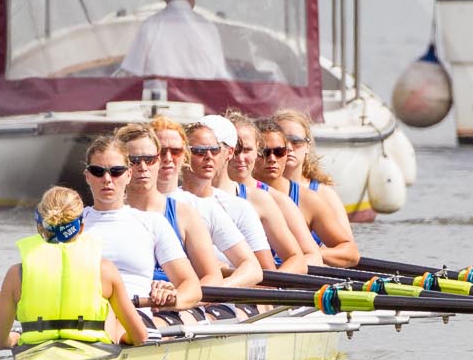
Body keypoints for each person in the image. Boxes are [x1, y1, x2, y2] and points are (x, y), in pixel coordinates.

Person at [0, 187, 150, 351]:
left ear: (39, 227)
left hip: (35, 355)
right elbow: (140, 336)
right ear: (81, 227)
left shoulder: (16, 274)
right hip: (93, 355)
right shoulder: (105, 270)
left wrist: (15, 337)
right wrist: (122, 339)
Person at [129, 119, 264, 288]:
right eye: (160, 152)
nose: (168, 158)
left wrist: (212, 291)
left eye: (176, 151)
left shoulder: (202, 208)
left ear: (185, 155)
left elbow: (252, 267)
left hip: (192, 304)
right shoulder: (118, 210)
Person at [77, 134, 202, 309]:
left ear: (128, 175)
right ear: (87, 176)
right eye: (98, 171)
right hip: (83, 318)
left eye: (116, 171)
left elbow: (192, 287)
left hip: (139, 318)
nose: (107, 179)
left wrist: (171, 297)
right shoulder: (71, 223)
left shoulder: (153, 223)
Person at [183, 114, 303, 274]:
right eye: (198, 150)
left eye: (214, 149)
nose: (208, 156)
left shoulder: (256, 201)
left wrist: (228, 274)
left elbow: (294, 260)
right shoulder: (172, 200)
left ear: (228, 151)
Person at [257, 112, 359, 268]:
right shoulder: (242, 192)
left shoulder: (317, 196)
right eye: (266, 150)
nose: (289, 148)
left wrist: (307, 255)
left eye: (295, 142)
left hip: (301, 277)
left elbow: (350, 253)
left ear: (307, 146)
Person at [118, 0, 231, 80]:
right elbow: (219, 73)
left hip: (160, 97)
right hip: (200, 98)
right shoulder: (208, 27)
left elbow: (132, 71)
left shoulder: (150, 25)